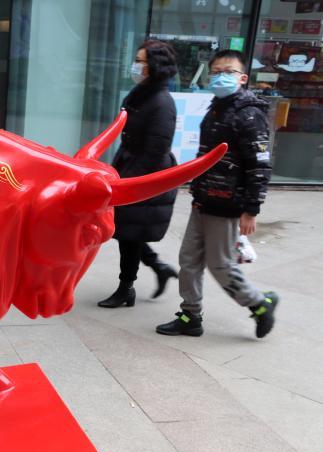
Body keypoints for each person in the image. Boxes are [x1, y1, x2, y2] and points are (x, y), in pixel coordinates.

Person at [157, 49, 279, 338]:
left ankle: (260, 304)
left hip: (227, 204)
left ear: (243, 78)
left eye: (229, 72)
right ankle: (191, 316)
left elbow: (259, 165)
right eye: (216, 71)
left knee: (220, 265)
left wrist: (251, 209)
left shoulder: (249, 114)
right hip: (203, 199)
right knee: (189, 260)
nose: (221, 76)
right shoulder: (216, 108)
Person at [98, 40, 179, 308]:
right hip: (129, 169)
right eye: (137, 59)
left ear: (155, 65)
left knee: (128, 233)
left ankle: (126, 288)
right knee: (126, 231)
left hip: (145, 176)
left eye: (141, 61)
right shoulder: (141, 93)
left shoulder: (162, 102)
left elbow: (155, 150)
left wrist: (130, 183)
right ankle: (156, 267)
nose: (136, 65)